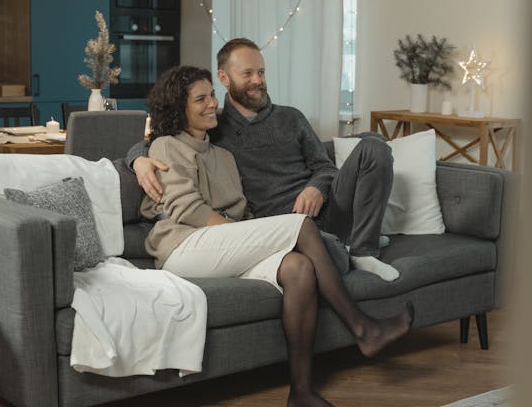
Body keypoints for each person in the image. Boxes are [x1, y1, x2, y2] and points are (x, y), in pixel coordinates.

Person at [142, 66, 413, 407]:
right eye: (201, 99)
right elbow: (190, 210)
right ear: (177, 108)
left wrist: (248, 236)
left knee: (298, 268)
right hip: (182, 246)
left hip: (222, 247)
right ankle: (364, 329)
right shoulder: (165, 146)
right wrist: (246, 236)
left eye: (212, 95)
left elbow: (244, 213)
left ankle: (301, 392)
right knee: (299, 226)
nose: (213, 103)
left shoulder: (223, 155)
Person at [132, 38, 400, 282]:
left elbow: (325, 166)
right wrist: (137, 160)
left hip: (328, 210)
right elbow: (167, 142)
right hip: (281, 228)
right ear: (224, 78)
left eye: (261, 72)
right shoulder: (214, 125)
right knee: (327, 253)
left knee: (374, 146)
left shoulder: (291, 117)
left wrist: (316, 187)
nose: (257, 80)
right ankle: (343, 247)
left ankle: (363, 250)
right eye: (247, 73)